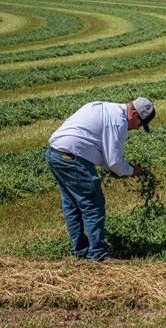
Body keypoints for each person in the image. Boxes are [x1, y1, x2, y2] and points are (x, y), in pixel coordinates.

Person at [46, 97, 156, 261]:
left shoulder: (104, 107)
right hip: (73, 157)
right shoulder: (119, 122)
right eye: (140, 124)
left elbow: (100, 148)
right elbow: (114, 161)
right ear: (134, 114)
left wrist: (116, 170)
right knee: (93, 204)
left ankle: (80, 251)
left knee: (71, 204)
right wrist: (132, 171)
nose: (138, 128)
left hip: (54, 154)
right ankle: (98, 254)